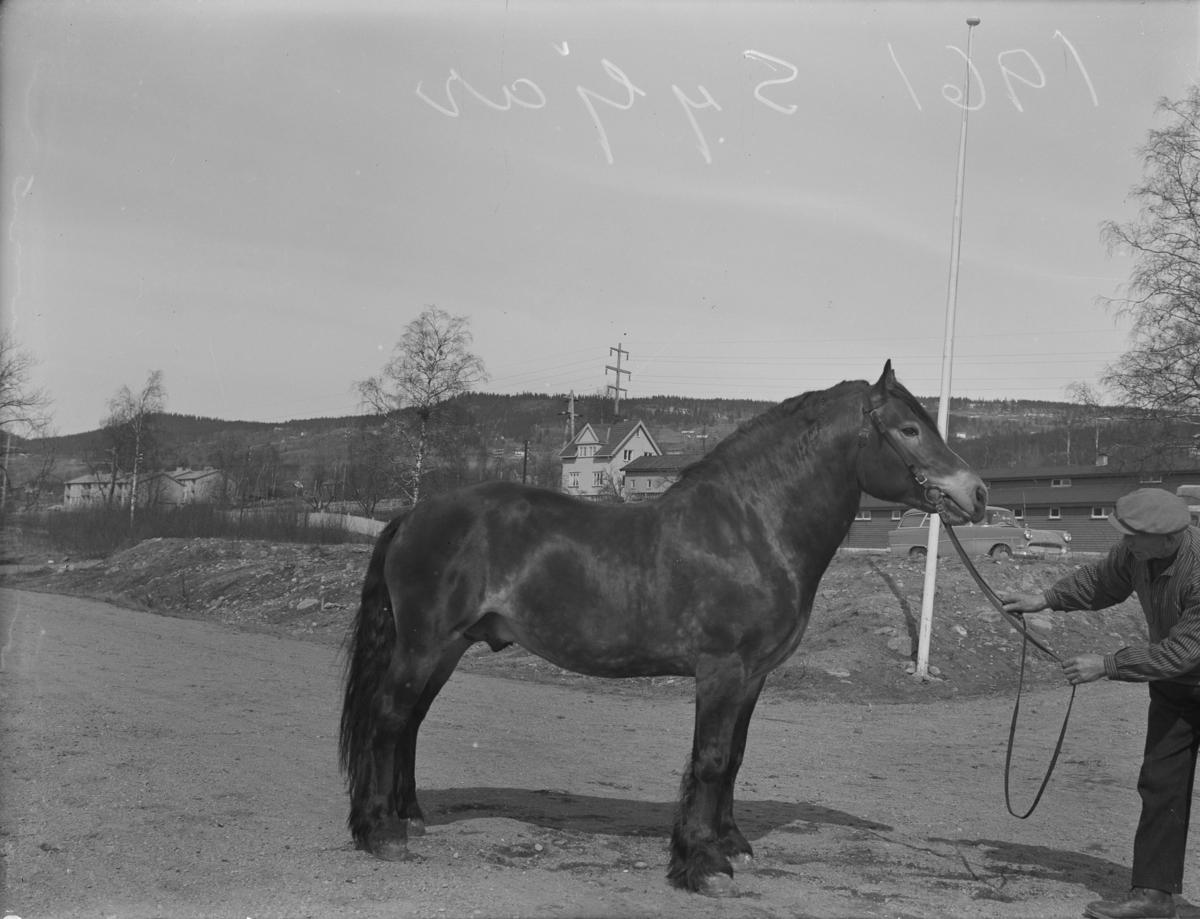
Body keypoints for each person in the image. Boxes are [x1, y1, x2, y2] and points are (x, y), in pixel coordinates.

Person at [1001, 488, 1199, 919]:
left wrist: (1108, 664)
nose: (1124, 544)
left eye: (1132, 538)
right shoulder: (1137, 549)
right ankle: (1154, 897)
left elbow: (1183, 651)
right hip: (1175, 687)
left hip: (1182, 665)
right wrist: (1045, 599)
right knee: (1160, 783)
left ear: (1169, 540)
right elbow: (1102, 581)